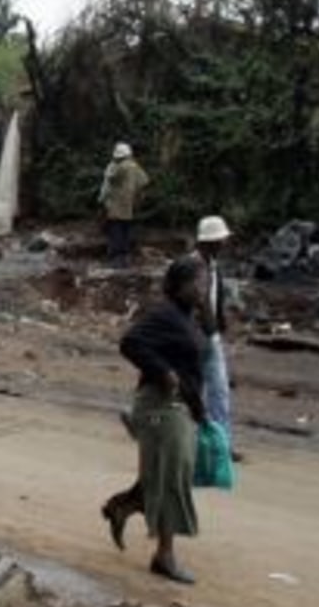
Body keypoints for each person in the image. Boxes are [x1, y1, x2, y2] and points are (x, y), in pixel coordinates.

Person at [100, 255, 208, 584]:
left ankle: (122, 507)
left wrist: (200, 412)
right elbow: (130, 342)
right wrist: (163, 372)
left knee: (168, 474)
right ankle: (164, 555)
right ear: (178, 286)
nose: (202, 288)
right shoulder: (164, 314)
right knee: (171, 479)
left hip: (179, 406)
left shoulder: (190, 317)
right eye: (197, 283)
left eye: (205, 282)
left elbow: (195, 363)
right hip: (159, 406)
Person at [193, 214, 243, 460]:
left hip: (208, 337)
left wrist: (218, 328)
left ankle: (220, 444)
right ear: (209, 241)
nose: (224, 244)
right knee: (192, 392)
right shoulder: (192, 266)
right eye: (221, 239)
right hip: (193, 338)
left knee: (219, 393)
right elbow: (199, 303)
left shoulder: (212, 265)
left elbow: (215, 299)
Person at [99, 142, 150, 268]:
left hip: (114, 206)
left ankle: (116, 259)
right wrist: (139, 198)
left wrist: (101, 201)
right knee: (126, 231)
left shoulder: (115, 167)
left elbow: (108, 184)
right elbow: (144, 181)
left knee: (115, 232)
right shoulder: (135, 167)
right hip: (129, 206)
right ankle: (125, 258)